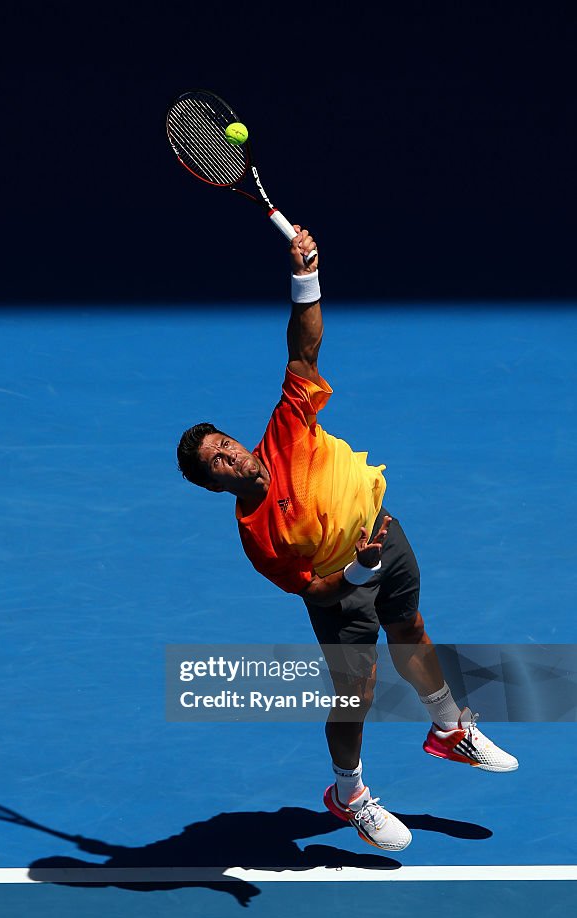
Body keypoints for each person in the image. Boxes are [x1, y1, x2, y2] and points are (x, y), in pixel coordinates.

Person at [177, 227, 518, 853]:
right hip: (345, 583)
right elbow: (321, 591)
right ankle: (348, 792)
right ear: (215, 486)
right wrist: (358, 570)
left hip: (383, 532)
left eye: (224, 444)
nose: (230, 456)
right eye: (217, 464)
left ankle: (448, 730)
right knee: (355, 692)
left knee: (411, 628)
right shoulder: (259, 537)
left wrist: (304, 274)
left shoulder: (284, 428)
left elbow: (302, 353)